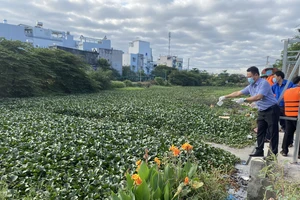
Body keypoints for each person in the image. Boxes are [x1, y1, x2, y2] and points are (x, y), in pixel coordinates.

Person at [219, 66, 280, 157]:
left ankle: (273, 154)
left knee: (273, 132)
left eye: (250, 76)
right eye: (247, 77)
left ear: (256, 75)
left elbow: (259, 97)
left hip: (271, 109)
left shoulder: (264, 83)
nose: (249, 79)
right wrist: (225, 97)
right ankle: (259, 151)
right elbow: (238, 93)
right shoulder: (251, 86)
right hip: (262, 110)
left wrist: (244, 100)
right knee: (260, 132)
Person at [280, 76, 300, 158]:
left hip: (288, 115)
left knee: (288, 133)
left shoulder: (287, 91)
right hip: (298, 116)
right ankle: (299, 154)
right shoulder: (299, 90)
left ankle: (284, 150)